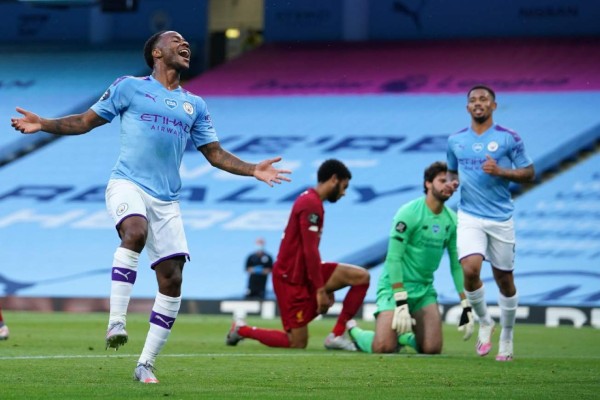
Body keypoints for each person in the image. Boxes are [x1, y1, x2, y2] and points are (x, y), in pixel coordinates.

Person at [10, 30, 291, 383]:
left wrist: (253, 169)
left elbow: (214, 154)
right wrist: (44, 123)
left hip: (167, 200)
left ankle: (145, 362)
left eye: (186, 41)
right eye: (176, 41)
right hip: (127, 182)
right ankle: (116, 320)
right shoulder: (129, 86)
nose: (184, 44)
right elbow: (85, 121)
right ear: (157, 52)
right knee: (134, 231)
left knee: (172, 279)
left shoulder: (195, 105)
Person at [226, 159, 370, 351]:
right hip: (290, 278)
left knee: (361, 277)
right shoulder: (310, 203)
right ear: (334, 179)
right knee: (296, 342)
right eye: (344, 186)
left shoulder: (313, 201)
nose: (344, 193)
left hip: (305, 271)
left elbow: (310, 249)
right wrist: (321, 289)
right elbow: (309, 250)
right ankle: (242, 330)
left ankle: (336, 334)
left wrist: (328, 287)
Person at [446, 85, 535, 361]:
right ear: (467, 108)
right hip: (469, 215)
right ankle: (486, 321)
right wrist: (452, 183)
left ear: (494, 106)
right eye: (472, 100)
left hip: (500, 217)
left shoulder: (509, 139)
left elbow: (529, 172)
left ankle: (507, 336)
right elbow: (451, 170)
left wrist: (501, 171)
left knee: (504, 280)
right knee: (469, 270)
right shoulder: (455, 140)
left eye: (483, 99)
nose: (478, 103)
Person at [348, 161, 474, 354]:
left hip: (423, 291)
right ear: (428, 184)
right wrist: (400, 299)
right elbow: (393, 258)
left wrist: (465, 302)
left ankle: (405, 337)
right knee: (383, 347)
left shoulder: (452, 221)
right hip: (395, 287)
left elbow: (456, 265)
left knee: (432, 349)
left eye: (453, 181)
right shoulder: (408, 213)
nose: (449, 185)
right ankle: (357, 333)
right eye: (443, 180)